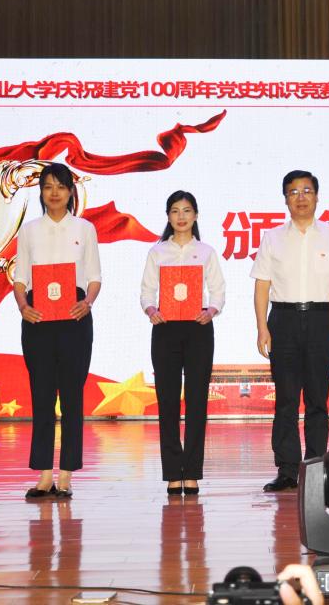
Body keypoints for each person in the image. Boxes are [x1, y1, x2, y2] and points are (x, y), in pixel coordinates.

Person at [251, 170, 329, 492]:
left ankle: (315, 469)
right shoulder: (272, 237)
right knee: (285, 399)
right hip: (283, 320)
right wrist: (262, 327)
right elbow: (262, 286)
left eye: (307, 190)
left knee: (317, 399)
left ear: (317, 196)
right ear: (285, 199)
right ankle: (287, 470)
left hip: (321, 320)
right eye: (294, 192)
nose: (301, 197)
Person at [13, 162, 101, 499]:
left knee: (72, 397)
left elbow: (94, 277)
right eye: (48, 186)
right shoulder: (29, 230)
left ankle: (66, 475)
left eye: (61, 187)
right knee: (42, 396)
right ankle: (44, 475)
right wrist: (23, 306)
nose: (54, 193)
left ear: (70, 192)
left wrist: (87, 302)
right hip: (38, 318)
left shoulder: (85, 228)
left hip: (75, 318)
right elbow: (20, 278)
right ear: (40, 191)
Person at [140, 190, 225, 495]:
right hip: (165, 328)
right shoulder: (157, 252)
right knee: (167, 402)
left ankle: (192, 473)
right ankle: (172, 473)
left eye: (187, 210)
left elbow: (218, 290)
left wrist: (211, 310)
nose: (181, 217)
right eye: (175, 211)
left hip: (198, 328)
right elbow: (147, 291)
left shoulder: (206, 252)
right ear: (168, 216)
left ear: (196, 215)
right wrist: (151, 310)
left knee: (197, 401)